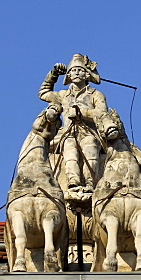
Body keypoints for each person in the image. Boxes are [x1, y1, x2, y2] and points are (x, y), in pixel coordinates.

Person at [38, 54, 108, 191]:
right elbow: (43, 93)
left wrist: (82, 112)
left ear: (87, 74)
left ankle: (90, 183)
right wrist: (53, 74)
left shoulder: (95, 94)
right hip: (68, 133)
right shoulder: (62, 94)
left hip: (89, 133)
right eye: (73, 70)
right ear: (68, 75)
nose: (76, 73)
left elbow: (102, 113)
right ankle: (73, 182)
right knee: (69, 148)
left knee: (90, 146)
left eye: (80, 70)